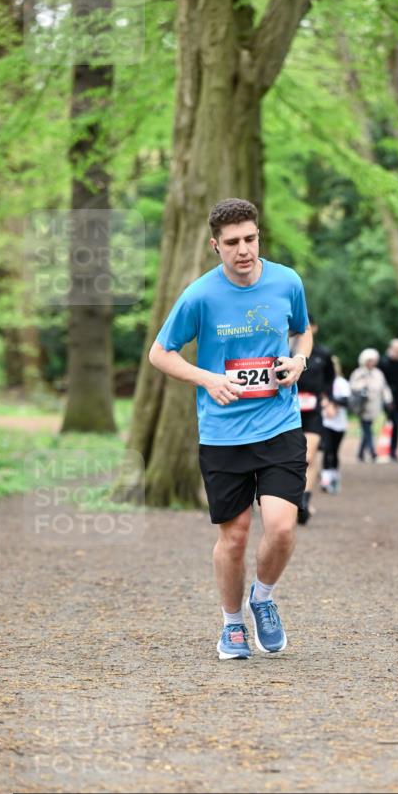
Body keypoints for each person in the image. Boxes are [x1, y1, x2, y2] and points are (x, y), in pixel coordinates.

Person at [148, 198, 312, 661]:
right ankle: (231, 624)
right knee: (235, 536)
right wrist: (208, 378)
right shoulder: (200, 295)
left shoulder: (287, 281)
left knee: (281, 527)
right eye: (233, 242)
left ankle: (262, 598)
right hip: (222, 434)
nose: (244, 250)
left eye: (251, 239)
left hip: (280, 424)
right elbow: (161, 353)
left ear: (259, 236)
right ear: (215, 245)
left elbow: (303, 330)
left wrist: (299, 359)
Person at [295, 315, 335, 524]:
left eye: (308, 327)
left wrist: (329, 401)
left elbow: (330, 381)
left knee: (308, 457)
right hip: (287, 412)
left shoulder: (323, 354)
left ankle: (304, 501)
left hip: (313, 412)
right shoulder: (283, 352)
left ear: (315, 328)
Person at [349, 348, 393, 463]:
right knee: (367, 428)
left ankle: (360, 453)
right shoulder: (358, 373)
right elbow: (353, 387)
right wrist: (362, 386)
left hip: (374, 406)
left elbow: (384, 388)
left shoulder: (378, 374)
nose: (371, 363)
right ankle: (372, 451)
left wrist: (388, 400)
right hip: (362, 406)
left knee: (366, 429)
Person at [320, 355, 351, 494]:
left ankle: (334, 476)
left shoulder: (341, 382)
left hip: (339, 423)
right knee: (327, 449)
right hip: (326, 422)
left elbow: (346, 401)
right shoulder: (322, 382)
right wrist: (325, 405)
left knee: (335, 451)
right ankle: (325, 480)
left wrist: (333, 403)